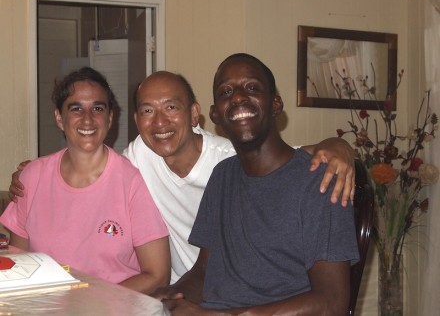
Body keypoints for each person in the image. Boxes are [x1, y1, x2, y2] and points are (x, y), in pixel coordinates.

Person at [8, 70, 355, 285]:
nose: (159, 122)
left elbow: (291, 156)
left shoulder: (232, 158)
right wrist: (31, 174)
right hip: (181, 291)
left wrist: (338, 145)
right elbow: (88, 164)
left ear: (194, 113)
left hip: (235, 290)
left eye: (171, 108)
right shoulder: (138, 158)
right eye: (147, 111)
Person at [154, 53, 359, 315]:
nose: (238, 97)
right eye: (226, 91)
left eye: (252, 88)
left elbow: (332, 303)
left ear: (275, 104)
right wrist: (170, 298)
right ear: (215, 114)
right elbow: (204, 271)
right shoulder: (222, 176)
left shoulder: (320, 180)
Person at [0, 67, 170, 294]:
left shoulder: (131, 183)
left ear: (110, 118)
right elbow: (20, 264)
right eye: (76, 108)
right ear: (59, 118)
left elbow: (158, 275)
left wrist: (91, 302)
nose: (88, 119)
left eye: (97, 108)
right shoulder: (32, 178)